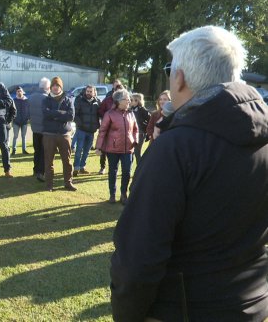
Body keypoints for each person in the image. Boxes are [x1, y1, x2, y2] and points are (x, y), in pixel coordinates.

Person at [110, 26, 268, 321]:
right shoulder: (262, 137)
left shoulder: (175, 149)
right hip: (250, 304)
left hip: (185, 310)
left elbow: (138, 260)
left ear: (179, 77)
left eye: (170, 69)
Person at [95, 89, 138, 204]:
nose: (129, 101)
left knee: (127, 172)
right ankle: (112, 195)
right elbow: (102, 131)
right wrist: (98, 147)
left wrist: (135, 140)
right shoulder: (109, 114)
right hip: (112, 149)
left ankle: (123, 194)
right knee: (112, 171)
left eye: (129, 99)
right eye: (126, 99)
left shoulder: (131, 113)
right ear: (118, 101)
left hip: (128, 149)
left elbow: (135, 129)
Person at [42, 76, 76, 192]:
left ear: (61, 87)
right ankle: (49, 184)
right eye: (54, 86)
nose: (56, 88)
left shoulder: (68, 99)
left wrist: (54, 114)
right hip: (49, 134)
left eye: (58, 86)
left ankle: (68, 182)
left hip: (64, 134)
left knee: (67, 161)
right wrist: (61, 114)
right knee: (48, 160)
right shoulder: (45, 100)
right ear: (51, 87)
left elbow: (71, 116)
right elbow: (45, 114)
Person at [72, 85, 100, 176]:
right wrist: (80, 124)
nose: (88, 93)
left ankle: (82, 167)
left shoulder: (97, 102)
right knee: (79, 150)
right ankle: (76, 167)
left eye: (90, 91)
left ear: (94, 92)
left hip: (91, 131)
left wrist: (96, 125)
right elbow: (75, 114)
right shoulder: (79, 100)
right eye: (87, 91)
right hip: (81, 130)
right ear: (85, 91)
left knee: (87, 150)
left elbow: (100, 114)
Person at [97, 80, 123, 174]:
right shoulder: (107, 100)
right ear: (114, 91)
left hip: (119, 130)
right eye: (117, 91)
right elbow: (100, 110)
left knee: (117, 148)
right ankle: (102, 167)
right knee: (103, 148)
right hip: (107, 128)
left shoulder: (124, 103)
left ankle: (114, 167)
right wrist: (107, 117)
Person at [28, 77, 49, 182]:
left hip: (34, 128)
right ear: (47, 87)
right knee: (43, 151)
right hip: (44, 129)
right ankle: (40, 172)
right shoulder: (47, 98)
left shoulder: (31, 97)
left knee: (37, 150)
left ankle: (35, 170)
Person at [130, 93, 150, 164]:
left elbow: (150, 121)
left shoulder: (143, 110)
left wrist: (144, 126)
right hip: (131, 133)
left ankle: (139, 169)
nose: (130, 101)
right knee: (130, 151)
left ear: (137, 101)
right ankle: (129, 169)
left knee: (137, 152)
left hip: (141, 133)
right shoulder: (131, 109)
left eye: (132, 100)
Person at [12, 86, 30, 155]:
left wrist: (28, 118)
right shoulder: (14, 100)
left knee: (24, 136)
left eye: (20, 91)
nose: (19, 92)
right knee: (15, 136)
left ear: (23, 92)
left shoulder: (27, 100)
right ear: (16, 92)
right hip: (16, 122)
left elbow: (29, 110)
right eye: (18, 91)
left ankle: (24, 150)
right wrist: (13, 118)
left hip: (24, 122)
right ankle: (14, 150)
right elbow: (12, 110)